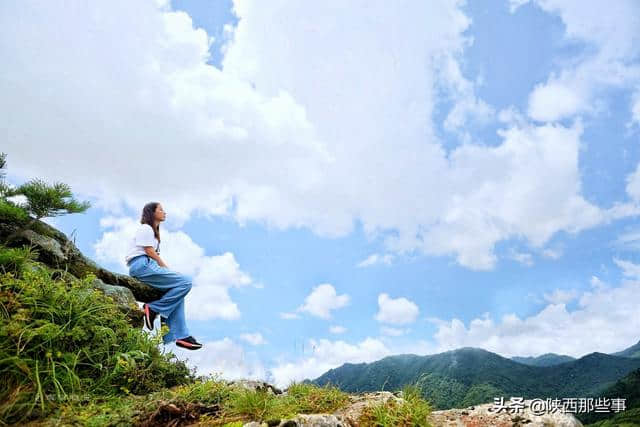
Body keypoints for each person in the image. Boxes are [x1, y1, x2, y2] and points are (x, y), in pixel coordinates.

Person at [124, 202, 202, 350]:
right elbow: (149, 251)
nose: (164, 212)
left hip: (147, 266)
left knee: (176, 292)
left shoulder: (154, 234)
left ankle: (180, 335)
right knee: (185, 282)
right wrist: (165, 267)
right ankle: (153, 309)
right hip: (142, 265)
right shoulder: (145, 228)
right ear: (152, 213)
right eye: (161, 209)